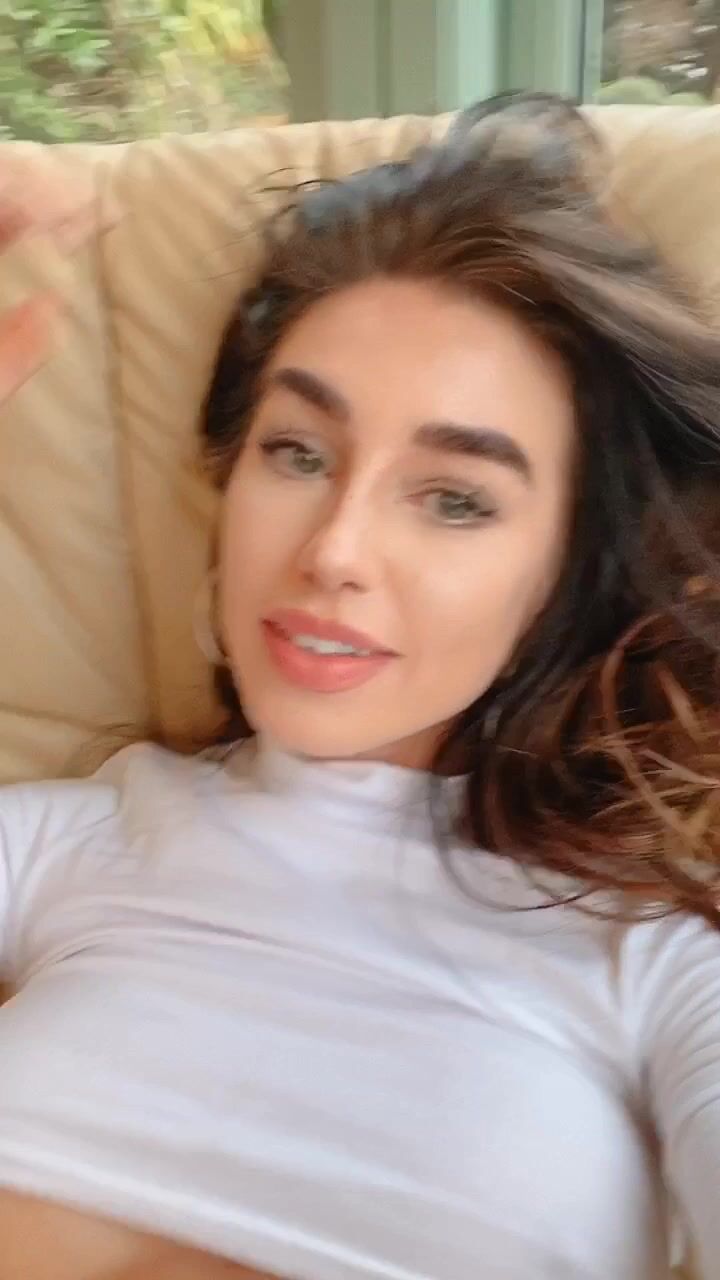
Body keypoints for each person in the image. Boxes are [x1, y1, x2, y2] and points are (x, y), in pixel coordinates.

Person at [0, 92, 719, 1280]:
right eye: (299, 452)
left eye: (455, 498)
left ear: (564, 572)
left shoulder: (652, 950)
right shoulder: (75, 838)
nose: (334, 549)